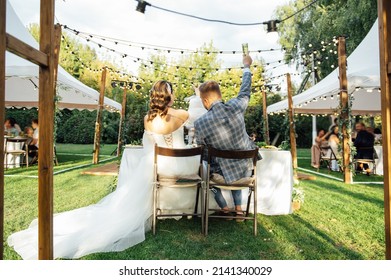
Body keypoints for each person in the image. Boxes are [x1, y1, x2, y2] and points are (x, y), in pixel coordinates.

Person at [7, 80, 206, 260]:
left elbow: (148, 146)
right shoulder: (181, 114)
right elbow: (200, 114)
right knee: (203, 167)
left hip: (154, 166)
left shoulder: (147, 118)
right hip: (178, 166)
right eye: (172, 93)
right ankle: (189, 209)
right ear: (169, 96)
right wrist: (197, 95)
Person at [194, 54, 256, 220]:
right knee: (233, 163)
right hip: (246, 173)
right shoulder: (236, 106)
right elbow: (245, 90)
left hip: (221, 177)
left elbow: (203, 153)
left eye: (201, 100)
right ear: (220, 95)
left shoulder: (200, 123)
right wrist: (246, 66)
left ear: (206, 100)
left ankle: (224, 207)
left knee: (209, 166)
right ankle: (239, 208)